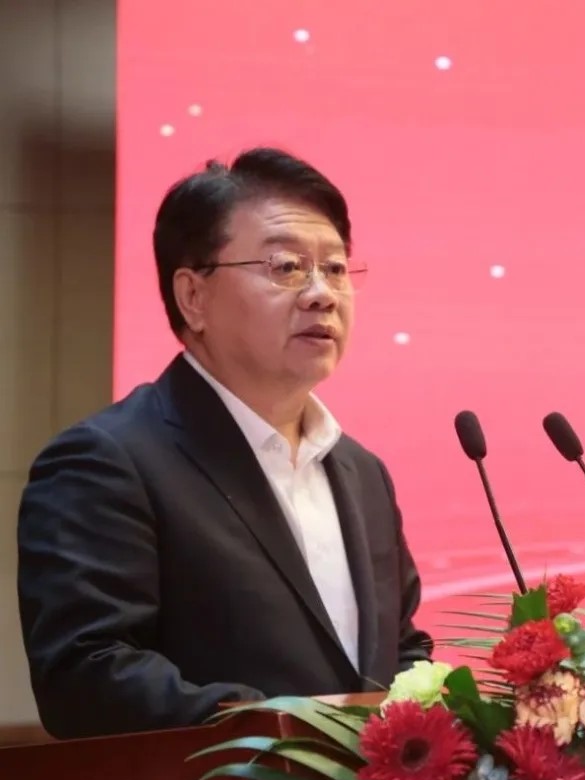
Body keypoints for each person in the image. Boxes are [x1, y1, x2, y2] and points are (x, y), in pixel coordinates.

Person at [16, 147, 433, 740]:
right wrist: (291, 733)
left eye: (337, 269)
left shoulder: (362, 472)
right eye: (286, 267)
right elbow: (86, 677)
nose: (322, 294)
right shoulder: (108, 462)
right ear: (193, 296)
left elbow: (402, 649)